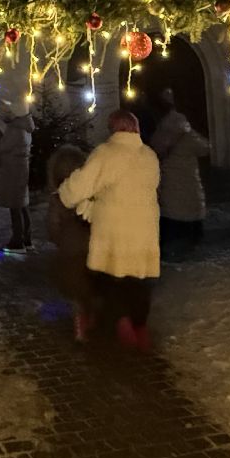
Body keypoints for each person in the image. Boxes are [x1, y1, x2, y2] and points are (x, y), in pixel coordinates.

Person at [56, 110, 161, 351]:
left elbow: (81, 185)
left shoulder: (106, 153)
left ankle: (122, 322)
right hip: (144, 228)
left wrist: (65, 193)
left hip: (115, 229)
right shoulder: (149, 155)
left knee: (111, 278)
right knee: (139, 280)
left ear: (113, 128)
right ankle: (140, 327)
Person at [149, 90, 210, 255]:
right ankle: (191, 244)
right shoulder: (187, 135)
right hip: (189, 182)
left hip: (169, 183)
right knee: (189, 212)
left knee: (171, 213)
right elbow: (205, 147)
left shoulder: (160, 134)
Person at [45, 144, 95, 340]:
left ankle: (81, 324)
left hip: (70, 254)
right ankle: (92, 316)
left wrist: (59, 240)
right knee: (90, 287)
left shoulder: (58, 200)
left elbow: (53, 226)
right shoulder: (90, 196)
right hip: (91, 250)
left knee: (77, 293)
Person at [0, 106, 36, 250]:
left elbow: (1, 147)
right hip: (21, 168)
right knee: (22, 204)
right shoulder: (26, 128)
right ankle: (27, 238)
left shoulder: (15, 129)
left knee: (15, 206)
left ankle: (17, 241)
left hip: (13, 170)